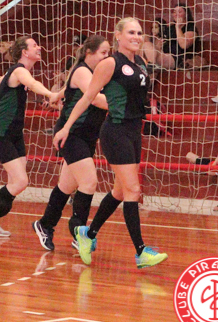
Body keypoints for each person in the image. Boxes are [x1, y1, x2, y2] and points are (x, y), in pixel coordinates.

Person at [54, 17, 168, 269]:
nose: (136, 37)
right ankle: (141, 252)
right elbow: (87, 98)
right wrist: (66, 127)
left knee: (119, 191)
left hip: (134, 131)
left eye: (139, 32)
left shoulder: (141, 63)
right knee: (133, 191)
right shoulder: (109, 63)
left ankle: (88, 234)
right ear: (118, 35)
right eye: (131, 32)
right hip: (115, 131)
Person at [0, 37, 59, 237]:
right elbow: (33, 84)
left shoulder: (14, 73)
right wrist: (50, 94)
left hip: (15, 134)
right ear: (24, 52)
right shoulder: (20, 71)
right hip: (1, 133)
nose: (39, 47)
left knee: (15, 183)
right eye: (34, 45)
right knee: (20, 181)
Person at [32, 35, 110, 252]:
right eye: (103, 53)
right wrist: (122, 104)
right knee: (89, 182)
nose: (107, 57)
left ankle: (44, 224)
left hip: (88, 136)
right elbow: (95, 98)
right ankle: (79, 233)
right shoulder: (83, 71)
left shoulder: (96, 73)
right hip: (71, 134)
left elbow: (68, 88)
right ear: (89, 53)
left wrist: (58, 94)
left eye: (109, 53)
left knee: (66, 186)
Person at [142, 3, 203, 70]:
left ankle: (151, 68)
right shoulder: (170, 28)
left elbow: (184, 45)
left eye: (179, 12)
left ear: (186, 14)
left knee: (156, 56)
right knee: (145, 43)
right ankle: (149, 67)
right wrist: (157, 45)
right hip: (162, 54)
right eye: (174, 12)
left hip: (177, 58)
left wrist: (178, 27)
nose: (176, 14)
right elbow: (159, 41)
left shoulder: (191, 28)